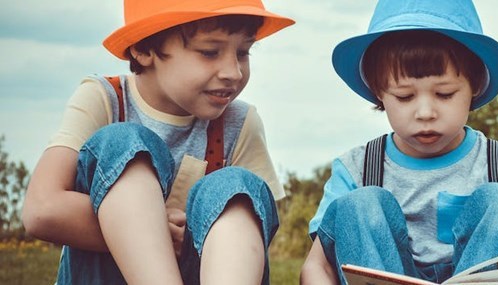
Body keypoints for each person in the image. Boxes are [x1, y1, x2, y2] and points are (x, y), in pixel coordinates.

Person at [300, 1, 498, 284]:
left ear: (475, 88)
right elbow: (318, 266)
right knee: (359, 205)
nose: (426, 113)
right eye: (405, 96)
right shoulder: (356, 169)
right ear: (379, 93)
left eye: (444, 94)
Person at [21, 0, 294, 284]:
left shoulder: (239, 122)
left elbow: (248, 235)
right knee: (123, 142)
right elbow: (42, 209)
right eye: (209, 52)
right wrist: (149, 229)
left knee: (237, 187)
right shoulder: (105, 99)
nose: (233, 72)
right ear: (143, 47)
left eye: (243, 52)